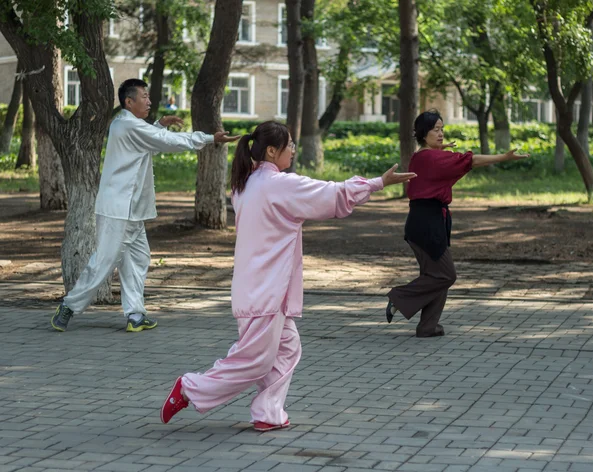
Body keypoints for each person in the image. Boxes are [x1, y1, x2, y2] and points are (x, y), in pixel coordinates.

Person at [160, 120, 417, 430]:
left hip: (261, 286)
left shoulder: (246, 185)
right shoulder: (278, 184)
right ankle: (190, 388)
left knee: (287, 348)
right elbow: (330, 193)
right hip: (265, 289)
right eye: (289, 145)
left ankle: (268, 413)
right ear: (271, 150)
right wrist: (377, 182)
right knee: (253, 360)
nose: (293, 150)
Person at [51, 78, 239, 333]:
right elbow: (167, 142)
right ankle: (69, 306)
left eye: (149, 96)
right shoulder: (128, 125)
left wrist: (159, 124)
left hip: (131, 209)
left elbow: (150, 138)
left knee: (138, 258)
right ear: (129, 102)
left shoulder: (127, 124)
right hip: (120, 208)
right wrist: (210, 138)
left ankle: (135, 315)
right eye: (144, 96)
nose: (149, 101)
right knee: (105, 262)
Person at [385, 110, 529, 337]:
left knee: (435, 276)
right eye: (436, 130)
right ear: (424, 133)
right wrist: (504, 157)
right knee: (445, 275)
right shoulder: (432, 158)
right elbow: (470, 160)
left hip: (425, 221)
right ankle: (399, 298)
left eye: (442, 129)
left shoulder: (422, 155)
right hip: (427, 223)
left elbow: (433, 163)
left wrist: (439, 148)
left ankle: (428, 326)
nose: (441, 134)